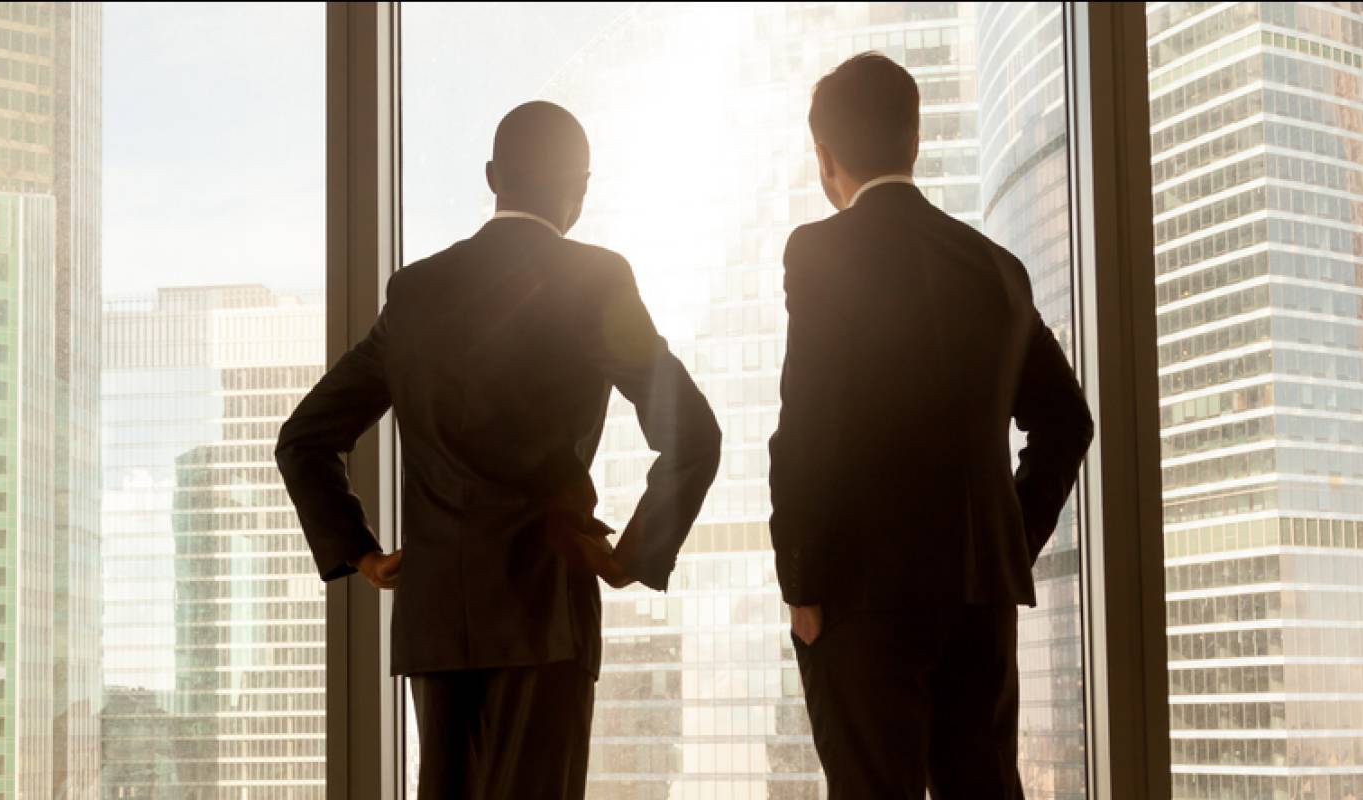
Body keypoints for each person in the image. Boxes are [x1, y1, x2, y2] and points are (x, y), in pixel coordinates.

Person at [275, 100, 720, 799]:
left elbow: (303, 441)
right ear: (580, 185)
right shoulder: (597, 279)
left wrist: (360, 551)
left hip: (437, 620)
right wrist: (630, 557)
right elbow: (693, 433)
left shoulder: (415, 291)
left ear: (492, 176)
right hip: (547, 608)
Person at [769, 53, 1093, 798]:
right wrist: (1005, 543)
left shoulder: (819, 250)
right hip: (980, 596)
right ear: (913, 140)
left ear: (826, 157)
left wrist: (803, 582)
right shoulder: (995, 267)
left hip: (860, 593)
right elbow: (1067, 422)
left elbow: (807, 423)